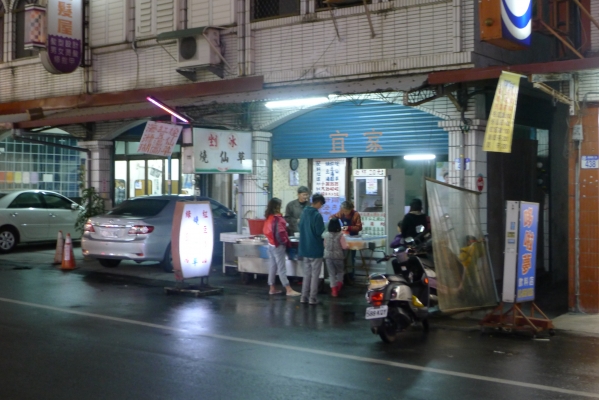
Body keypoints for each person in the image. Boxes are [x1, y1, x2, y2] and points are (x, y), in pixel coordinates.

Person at [263, 198, 301, 297]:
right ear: (276, 206)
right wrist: (285, 242)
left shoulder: (269, 217)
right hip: (278, 246)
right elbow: (281, 233)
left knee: (273, 267)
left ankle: (272, 288)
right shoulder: (278, 218)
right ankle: (288, 289)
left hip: (271, 244)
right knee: (281, 268)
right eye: (279, 205)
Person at [298, 193, 326, 305]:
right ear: (318, 202)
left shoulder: (304, 213)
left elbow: (299, 227)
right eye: (321, 205)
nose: (321, 207)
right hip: (315, 248)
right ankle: (312, 298)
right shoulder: (317, 216)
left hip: (305, 248)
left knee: (307, 274)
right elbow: (320, 232)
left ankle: (303, 297)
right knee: (315, 275)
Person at [323, 217, 348, 297]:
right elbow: (344, 247)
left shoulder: (326, 235)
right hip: (338, 257)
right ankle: (339, 286)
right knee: (340, 272)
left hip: (328, 256)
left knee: (331, 274)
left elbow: (325, 245)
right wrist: (348, 246)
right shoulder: (341, 235)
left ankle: (334, 291)